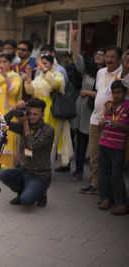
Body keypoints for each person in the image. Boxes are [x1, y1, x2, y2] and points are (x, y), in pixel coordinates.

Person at [80, 45, 123, 194]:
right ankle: (95, 184)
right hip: (95, 119)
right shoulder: (100, 72)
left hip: (111, 123)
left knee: (108, 159)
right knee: (94, 155)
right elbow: (99, 92)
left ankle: (107, 189)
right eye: (107, 56)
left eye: (112, 57)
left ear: (119, 59)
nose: (109, 60)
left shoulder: (123, 74)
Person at [0, 98, 54, 207]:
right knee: (4, 174)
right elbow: (2, 124)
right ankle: (21, 192)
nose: (31, 117)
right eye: (29, 114)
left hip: (40, 175)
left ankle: (41, 193)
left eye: (35, 114)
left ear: (42, 115)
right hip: (24, 170)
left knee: (27, 200)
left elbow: (32, 145)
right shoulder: (23, 125)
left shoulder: (48, 130)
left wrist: (25, 124)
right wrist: (14, 109)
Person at [25, 54, 73, 170]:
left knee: (48, 144)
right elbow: (29, 90)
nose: (42, 65)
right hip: (34, 113)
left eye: (45, 63)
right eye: (40, 63)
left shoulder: (58, 75)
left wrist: (44, 69)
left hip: (50, 114)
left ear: (52, 64)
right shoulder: (38, 77)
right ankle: (29, 166)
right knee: (30, 139)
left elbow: (57, 85)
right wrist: (28, 75)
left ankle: (46, 169)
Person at [70, 30, 105, 182]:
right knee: (81, 142)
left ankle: (95, 177)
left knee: (95, 147)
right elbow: (77, 57)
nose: (98, 56)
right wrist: (73, 39)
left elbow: (107, 95)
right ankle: (78, 171)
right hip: (82, 110)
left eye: (101, 55)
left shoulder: (107, 74)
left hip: (98, 112)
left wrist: (88, 92)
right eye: (96, 54)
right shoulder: (88, 71)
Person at [0, 52, 22, 173]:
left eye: (5, 62)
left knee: (6, 141)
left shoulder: (14, 77)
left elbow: (12, 91)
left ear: (11, 63)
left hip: (8, 114)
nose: (1, 64)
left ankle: (8, 169)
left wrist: (5, 76)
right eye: (0, 62)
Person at [98, 81, 129, 215]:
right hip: (104, 144)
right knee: (104, 173)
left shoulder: (127, 107)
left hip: (118, 146)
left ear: (125, 93)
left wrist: (120, 126)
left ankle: (121, 202)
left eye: (119, 92)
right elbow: (103, 123)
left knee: (117, 174)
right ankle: (105, 198)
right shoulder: (109, 106)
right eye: (114, 92)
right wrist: (101, 125)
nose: (116, 95)